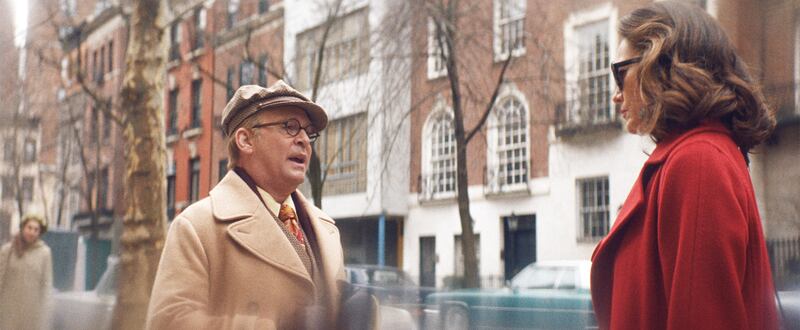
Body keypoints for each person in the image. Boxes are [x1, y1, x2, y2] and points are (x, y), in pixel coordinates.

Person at [590, 2, 780, 329]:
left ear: (662, 64)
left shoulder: (698, 162)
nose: (616, 96)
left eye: (620, 73)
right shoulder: (693, 156)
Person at [147, 80, 348, 329]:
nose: (305, 140)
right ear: (246, 140)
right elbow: (168, 323)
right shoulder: (196, 227)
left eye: (309, 132)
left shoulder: (327, 230)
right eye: (291, 127)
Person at [0, 215, 53, 330]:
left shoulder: (44, 253)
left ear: (40, 233)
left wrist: (46, 311)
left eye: (36, 230)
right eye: (29, 228)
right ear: (23, 228)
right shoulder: (8, 250)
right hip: (8, 311)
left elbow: (46, 283)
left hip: (31, 313)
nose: (32, 232)